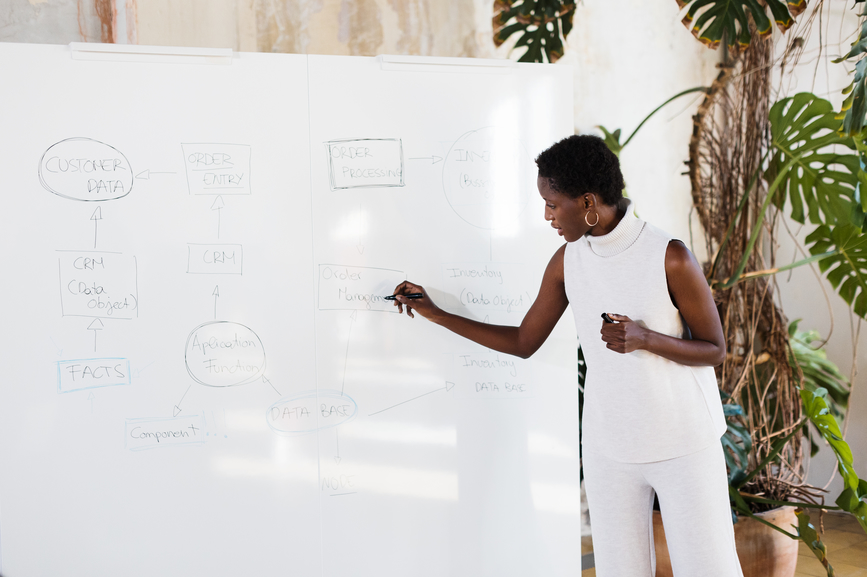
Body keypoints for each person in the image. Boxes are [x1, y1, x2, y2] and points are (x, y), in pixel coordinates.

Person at [391, 134, 743, 576]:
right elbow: (524, 341)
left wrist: (645, 338)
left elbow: (715, 349)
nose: (547, 215)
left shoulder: (669, 257)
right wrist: (437, 314)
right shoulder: (567, 262)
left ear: (588, 202)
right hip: (609, 448)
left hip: (683, 444)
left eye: (553, 204)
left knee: (708, 569)